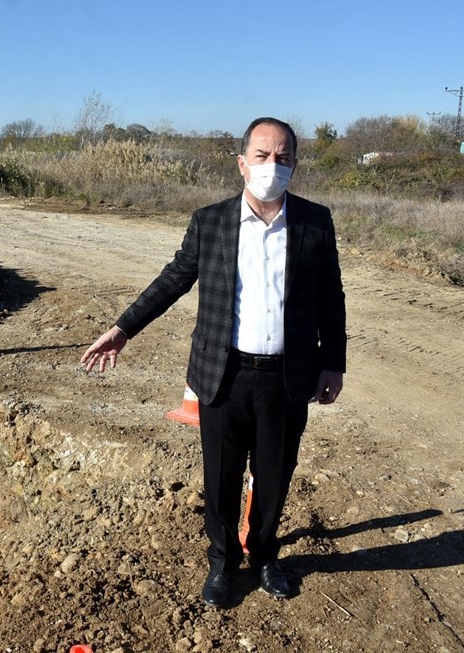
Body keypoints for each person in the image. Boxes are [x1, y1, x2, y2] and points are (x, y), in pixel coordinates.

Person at [81, 117, 346, 609]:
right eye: (263, 156)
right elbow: (172, 280)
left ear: (295, 165)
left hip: (287, 378)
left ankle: (265, 555)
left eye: (284, 158)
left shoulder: (314, 222)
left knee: (275, 473)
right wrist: (122, 330)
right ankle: (222, 562)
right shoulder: (211, 221)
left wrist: (333, 362)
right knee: (221, 476)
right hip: (224, 375)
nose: (273, 166)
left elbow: (331, 296)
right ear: (242, 163)